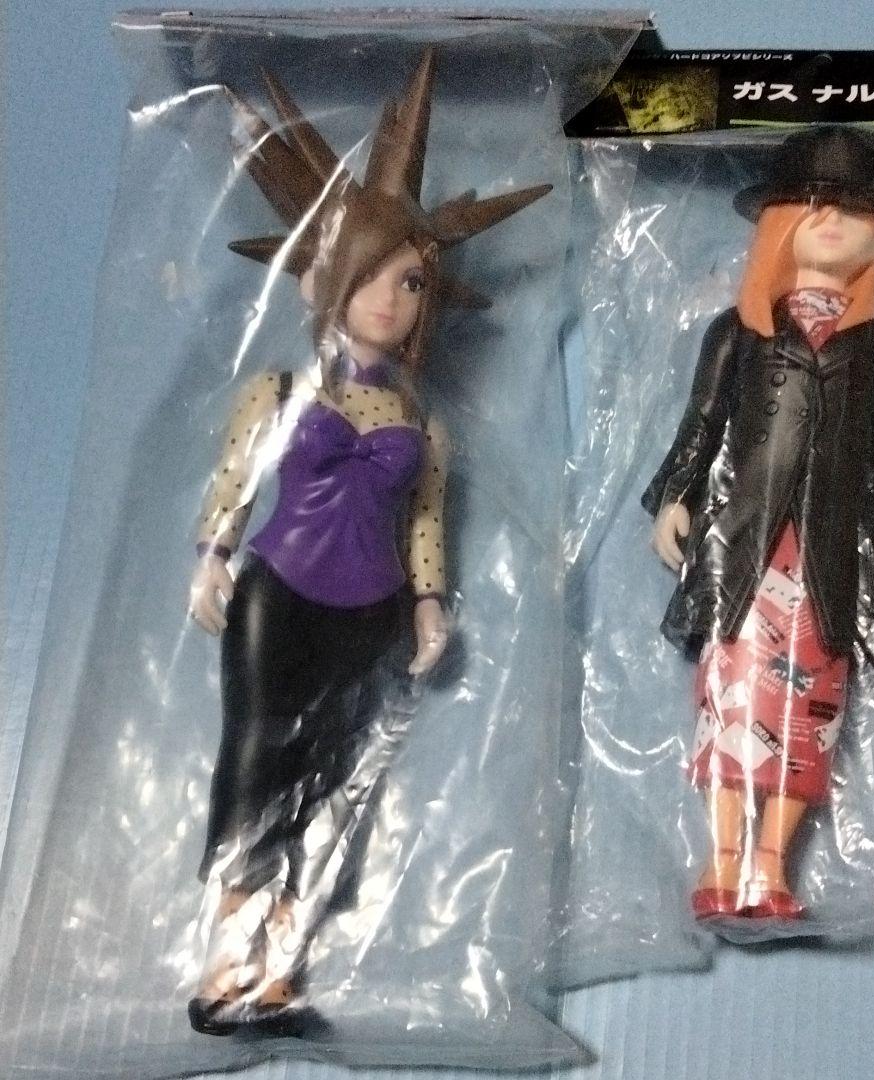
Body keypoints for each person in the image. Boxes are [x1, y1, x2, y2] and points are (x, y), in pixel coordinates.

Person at [185, 51, 549, 1032]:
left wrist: (429, 604)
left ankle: (284, 960)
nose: (392, 298)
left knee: (337, 777)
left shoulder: (422, 424)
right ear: (327, 275)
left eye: (413, 281)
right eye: (374, 274)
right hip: (277, 593)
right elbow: (235, 480)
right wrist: (212, 554)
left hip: (370, 609)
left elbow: (424, 521)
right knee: (256, 754)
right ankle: (225, 954)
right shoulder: (278, 390)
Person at [643, 126, 874, 923]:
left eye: (853, 208)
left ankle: (772, 866)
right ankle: (722, 860)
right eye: (812, 205)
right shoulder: (739, 332)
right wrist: (677, 494)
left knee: (812, 709)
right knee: (733, 697)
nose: (831, 219)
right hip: (745, 535)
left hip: (830, 547)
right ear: (778, 223)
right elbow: (702, 424)